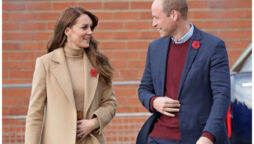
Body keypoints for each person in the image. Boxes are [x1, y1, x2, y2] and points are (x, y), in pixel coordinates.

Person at [137, 0, 230, 144]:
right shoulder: (155, 48)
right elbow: (144, 89)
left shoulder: (213, 47)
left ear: (174, 15)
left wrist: (208, 136)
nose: (153, 24)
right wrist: (154, 101)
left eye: (156, 17)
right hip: (157, 137)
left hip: (197, 138)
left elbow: (222, 96)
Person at [25, 7, 117, 144]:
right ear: (67, 31)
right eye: (84, 27)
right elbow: (35, 115)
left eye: (91, 28)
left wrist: (94, 122)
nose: (90, 32)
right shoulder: (46, 64)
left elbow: (110, 103)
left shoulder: (98, 63)